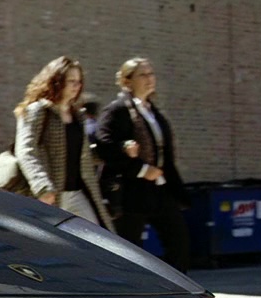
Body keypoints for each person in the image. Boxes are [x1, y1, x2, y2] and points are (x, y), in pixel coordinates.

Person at [92, 56, 191, 270]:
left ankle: (170, 291)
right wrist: (140, 168)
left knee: (179, 245)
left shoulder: (154, 112)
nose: (149, 79)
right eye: (143, 75)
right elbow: (103, 145)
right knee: (130, 251)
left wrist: (179, 191)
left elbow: (165, 155)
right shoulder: (117, 110)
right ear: (127, 81)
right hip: (130, 191)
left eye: (151, 73)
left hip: (160, 190)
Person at [13, 56, 106, 224]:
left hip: (78, 193)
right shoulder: (38, 111)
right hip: (49, 195)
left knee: (97, 241)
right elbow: (26, 150)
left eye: (79, 81)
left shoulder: (78, 116)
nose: (76, 86)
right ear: (56, 81)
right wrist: (41, 186)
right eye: (71, 81)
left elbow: (80, 154)